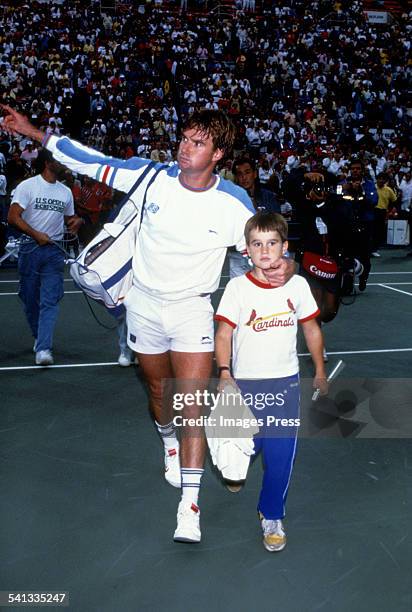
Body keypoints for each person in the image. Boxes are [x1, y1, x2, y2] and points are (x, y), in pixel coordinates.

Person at [1, 105, 294, 543]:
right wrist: (32, 132)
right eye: (184, 138)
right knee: (160, 394)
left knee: (190, 403)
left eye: (198, 143)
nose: (185, 147)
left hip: (193, 310)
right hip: (143, 305)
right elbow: (89, 159)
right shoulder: (149, 176)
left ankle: (189, 507)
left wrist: (279, 272)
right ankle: (167, 440)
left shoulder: (234, 202)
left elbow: (259, 252)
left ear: (218, 154)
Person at [215, 211, 327, 552]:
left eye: (272, 243)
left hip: (285, 385)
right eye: (257, 244)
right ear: (247, 250)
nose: (265, 251)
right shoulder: (236, 288)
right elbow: (223, 333)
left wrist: (320, 371)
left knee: (281, 455)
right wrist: (224, 372)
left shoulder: (298, 285)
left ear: (284, 247)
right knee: (249, 444)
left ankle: (272, 514)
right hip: (245, 385)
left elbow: (311, 329)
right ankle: (237, 463)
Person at [7, 149, 83, 365]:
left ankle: (43, 348)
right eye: (59, 160)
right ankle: (39, 337)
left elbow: (69, 218)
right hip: (30, 247)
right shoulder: (28, 186)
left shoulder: (65, 191)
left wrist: (77, 223)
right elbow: (13, 216)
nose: (63, 164)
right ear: (48, 163)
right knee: (29, 298)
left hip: (54, 250)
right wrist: (35, 234)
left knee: (50, 300)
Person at [229, 156, 282, 279]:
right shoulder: (230, 200)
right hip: (239, 255)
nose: (244, 177)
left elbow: (278, 226)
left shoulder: (269, 197)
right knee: (240, 295)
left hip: (266, 253)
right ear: (236, 178)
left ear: (255, 174)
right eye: (239, 174)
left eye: (247, 172)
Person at [340, 159, 378, 292]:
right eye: (353, 168)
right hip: (348, 224)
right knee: (347, 254)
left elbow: (374, 201)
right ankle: (348, 284)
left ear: (362, 170)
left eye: (358, 168)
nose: (355, 170)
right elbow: (334, 197)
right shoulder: (343, 183)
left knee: (364, 255)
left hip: (365, 224)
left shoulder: (369, 184)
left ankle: (363, 277)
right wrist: (345, 190)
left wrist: (361, 192)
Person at [373, 172, 397, 257]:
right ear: (377, 179)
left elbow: (395, 201)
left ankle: (374, 249)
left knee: (379, 232)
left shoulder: (389, 190)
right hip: (372, 211)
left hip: (382, 212)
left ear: (385, 180)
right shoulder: (373, 187)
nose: (381, 180)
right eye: (380, 178)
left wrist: (393, 209)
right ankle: (368, 249)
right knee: (371, 231)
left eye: (383, 179)